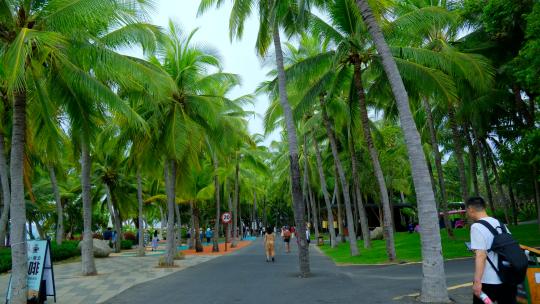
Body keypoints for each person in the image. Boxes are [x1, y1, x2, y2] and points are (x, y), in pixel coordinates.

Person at [466, 196, 517, 304]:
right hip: (507, 278)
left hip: (489, 281)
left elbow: (481, 255)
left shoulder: (476, 227)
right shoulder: (500, 224)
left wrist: (477, 282)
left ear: (470, 209)